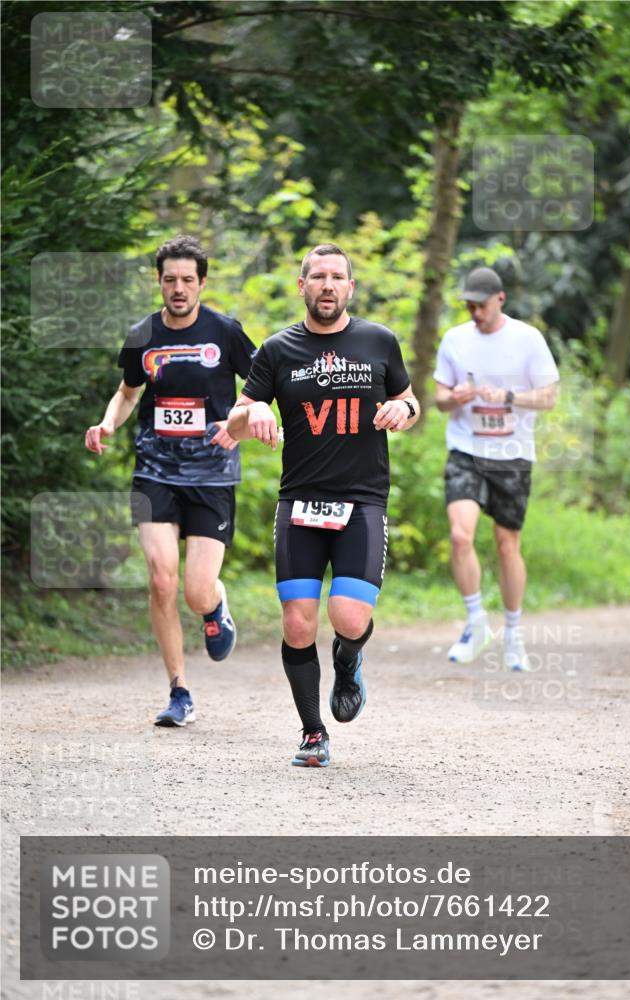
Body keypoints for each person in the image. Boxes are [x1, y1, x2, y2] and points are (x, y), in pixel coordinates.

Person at [227, 243, 420, 767]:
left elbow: (409, 398)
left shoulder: (379, 341)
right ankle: (313, 733)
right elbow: (235, 420)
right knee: (297, 623)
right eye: (318, 277)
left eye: (337, 277)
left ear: (350, 287)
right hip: (300, 503)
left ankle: (348, 660)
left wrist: (404, 410)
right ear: (302, 286)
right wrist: (252, 415)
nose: (327, 285)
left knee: (349, 617)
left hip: (362, 500)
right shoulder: (277, 349)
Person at [85, 235, 257, 726]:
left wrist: (240, 423)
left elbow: (261, 390)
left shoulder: (225, 331)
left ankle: (214, 606)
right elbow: (126, 393)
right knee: (161, 579)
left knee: (195, 592)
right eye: (169, 280)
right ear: (159, 282)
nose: (178, 288)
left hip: (212, 474)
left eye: (187, 280)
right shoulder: (142, 334)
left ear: (202, 282)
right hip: (155, 470)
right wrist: (107, 423)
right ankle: (179, 691)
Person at [433, 266, 559, 671]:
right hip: (466, 451)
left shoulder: (527, 339)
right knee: (459, 535)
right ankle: (475, 623)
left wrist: (508, 396)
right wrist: (455, 396)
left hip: (512, 454)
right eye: (469, 306)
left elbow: (549, 397)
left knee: (507, 545)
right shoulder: (454, 339)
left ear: (500, 299)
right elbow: (438, 398)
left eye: (481, 305)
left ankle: (514, 633)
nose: (475, 313)